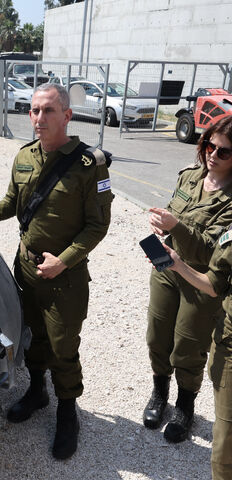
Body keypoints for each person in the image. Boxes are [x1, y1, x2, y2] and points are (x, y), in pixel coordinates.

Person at [0, 83, 113, 459]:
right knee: (32, 335)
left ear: (67, 116)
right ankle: (38, 392)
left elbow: (97, 226)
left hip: (64, 277)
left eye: (48, 111)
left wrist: (64, 260)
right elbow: (13, 201)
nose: (38, 118)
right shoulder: (24, 157)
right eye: (35, 110)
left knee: (63, 346)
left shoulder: (90, 165)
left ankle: (68, 413)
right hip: (26, 266)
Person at [143, 116, 232, 443]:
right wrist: (161, 227)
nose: (213, 155)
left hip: (199, 280)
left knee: (188, 346)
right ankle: (159, 392)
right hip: (167, 270)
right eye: (210, 145)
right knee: (157, 336)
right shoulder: (189, 176)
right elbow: (172, 212)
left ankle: (185, 405)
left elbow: (213, 252)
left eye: (224, 152)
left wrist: (176, 225)